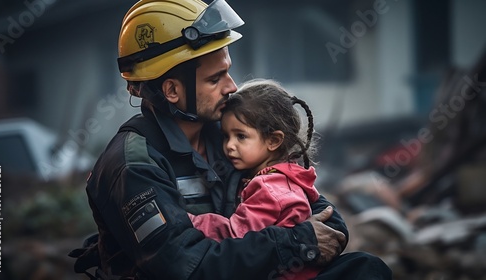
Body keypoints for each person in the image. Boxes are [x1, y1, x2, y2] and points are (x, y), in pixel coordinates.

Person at [71, 0, 392, 279]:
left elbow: (326, 219)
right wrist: (297, 242)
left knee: (366, 269)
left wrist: (304, 235)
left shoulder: (228, 136)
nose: (232, 86)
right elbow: (187, 267)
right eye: (215, 78)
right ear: (172, 90)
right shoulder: (133, 163)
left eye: (227, 71)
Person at [189, 79, 324, 279]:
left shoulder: (269, 189)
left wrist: (190, 221)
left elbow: (236, 233)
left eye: (241, 136)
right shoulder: (286, 177)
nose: (229, 145)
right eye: (226, 136)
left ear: (273, 140)